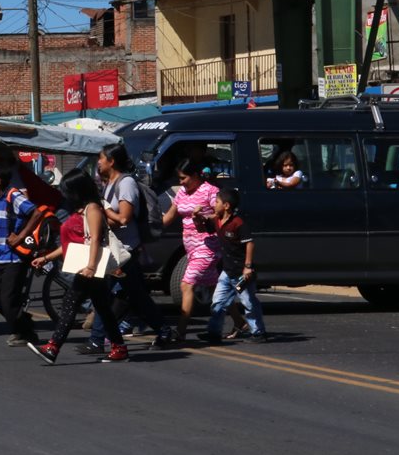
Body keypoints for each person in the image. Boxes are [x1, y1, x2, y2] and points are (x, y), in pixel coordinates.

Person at [77, 143, 175, 355]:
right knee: (136, 296)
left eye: (101, 159)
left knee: (106, 295)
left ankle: (97, 339)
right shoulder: (109, 184)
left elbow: (123, 217)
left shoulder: (126, 183)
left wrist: (102, 209)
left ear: (112, 161)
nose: (99, 163)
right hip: (116, 248)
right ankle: (164, 330)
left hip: (125, 250)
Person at [26, 169, 129, 364]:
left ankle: (53, 347)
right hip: (90, 267)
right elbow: (75, 244)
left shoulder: (93, 209)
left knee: (70, 303)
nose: (65, 195)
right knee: (103, 309)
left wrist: (90, 266)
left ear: (77, 191)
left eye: (68, 191)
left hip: (91, 267)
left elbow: (96, 240)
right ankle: (119, 348)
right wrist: (47, 258)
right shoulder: (85, 209)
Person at [0, 160, 44, 347]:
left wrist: (20, 236)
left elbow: (36, 213)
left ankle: (25, 331)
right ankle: (22, 321)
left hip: (15, 258)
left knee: (8, 299)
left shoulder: (13, 195)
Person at [160, 158, 221, 343]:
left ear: (195, 176)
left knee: (187, 284)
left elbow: (219, 215)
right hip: (191, 247)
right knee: (213, 287)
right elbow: (170, 215)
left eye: (184, 178)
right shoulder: (182, 194)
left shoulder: (210, 191)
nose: (181, 182)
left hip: (208, 244)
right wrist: (149, 231)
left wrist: (203, 217)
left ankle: (181, 331)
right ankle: (240, 322)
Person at [196, 188, 268, 344]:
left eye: (216, 202)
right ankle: (214, 332)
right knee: (218, 302)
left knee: (248, 302)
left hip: (241, 274)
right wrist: (196, 217)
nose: (214, 205)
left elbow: (249, 243)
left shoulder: (238, 223)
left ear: (226, 205)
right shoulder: (217, 220)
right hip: (227, 272)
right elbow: (202, 228)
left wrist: (247, 266)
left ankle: (258, 332)